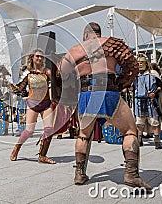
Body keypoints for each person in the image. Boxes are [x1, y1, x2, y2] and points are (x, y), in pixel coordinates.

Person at [59, 22, 151, 189]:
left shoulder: (74, 51)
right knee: (130, 131)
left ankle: (79, 174)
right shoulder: (112, 43)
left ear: (86, 34)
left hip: (86, 95)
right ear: (99, 33)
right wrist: (122, 82)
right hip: (108, 91)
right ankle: (131, 174)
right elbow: (132, 66)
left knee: (83, 135)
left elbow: (64, 74)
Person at [10, 49, 56, 164]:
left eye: (41, 57)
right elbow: (20, 88)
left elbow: (58, 81)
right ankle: (16, 148)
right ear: (32, 57)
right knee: (29, 131)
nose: (39, 58)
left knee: (49, 130)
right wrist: (9, 85)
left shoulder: (47, 72)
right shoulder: (27, 73)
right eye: (37, 56)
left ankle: (42, 155)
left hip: (46, 103)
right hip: (33, 104)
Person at [132, 54, 162, 149]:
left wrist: (155, 93)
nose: (140, 65)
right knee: (139, 123)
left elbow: (160, 86)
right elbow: (133, 87)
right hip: (139, 101)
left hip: (151, 101)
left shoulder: (153, 73)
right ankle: (139, 140)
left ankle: (157, 142)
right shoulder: (135, 75)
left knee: (154, 121)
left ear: (146, 63)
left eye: (142, 63)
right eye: (138, 63)